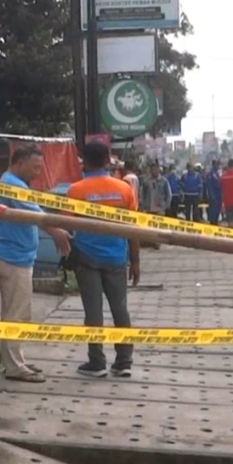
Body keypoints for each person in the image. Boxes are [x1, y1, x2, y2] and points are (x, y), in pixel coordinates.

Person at [0, 145, 71, 384]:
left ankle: (16, 360)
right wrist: (55, 230)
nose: (37, 172)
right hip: (11, 258)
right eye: (35, 167)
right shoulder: (12, 184)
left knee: (19, 312)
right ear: (20, 162)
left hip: (18, 257)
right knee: (15, 314)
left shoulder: (15, 183)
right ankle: (14, 366)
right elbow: (36, 214)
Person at [66, 142, 141, 379]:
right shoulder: (124, 189)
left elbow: (67, 226)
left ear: (84, 162)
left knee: (93, 311)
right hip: (117, 258)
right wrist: (136, 262)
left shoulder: (75, 190)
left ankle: (96, 362)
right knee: (120, 310)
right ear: (108, 160)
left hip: (86, 258)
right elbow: (134, 229)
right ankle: (124, 361)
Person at [204, 159, 222, 225]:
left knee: (218, 210)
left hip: (219, 194)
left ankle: (216, 221)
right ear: (214, 164)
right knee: (213, 210)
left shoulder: (218, 173)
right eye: (217, 164)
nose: (218, 166)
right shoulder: (210, 174)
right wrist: (212, 195)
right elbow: (210, 186)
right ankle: (213, 222)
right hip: (214, 194)